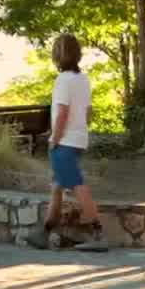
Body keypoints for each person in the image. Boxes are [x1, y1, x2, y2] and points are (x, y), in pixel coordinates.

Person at [34, 34, 107, 251]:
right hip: (78, 139)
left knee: (77, 185)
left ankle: (98, 233)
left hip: (64, 142)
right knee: (57, 186)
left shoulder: (63, 80)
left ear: (57, 55)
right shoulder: (83, 80)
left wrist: (54, 139)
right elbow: (88, 112)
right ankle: (45, 232)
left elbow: (62, 112)